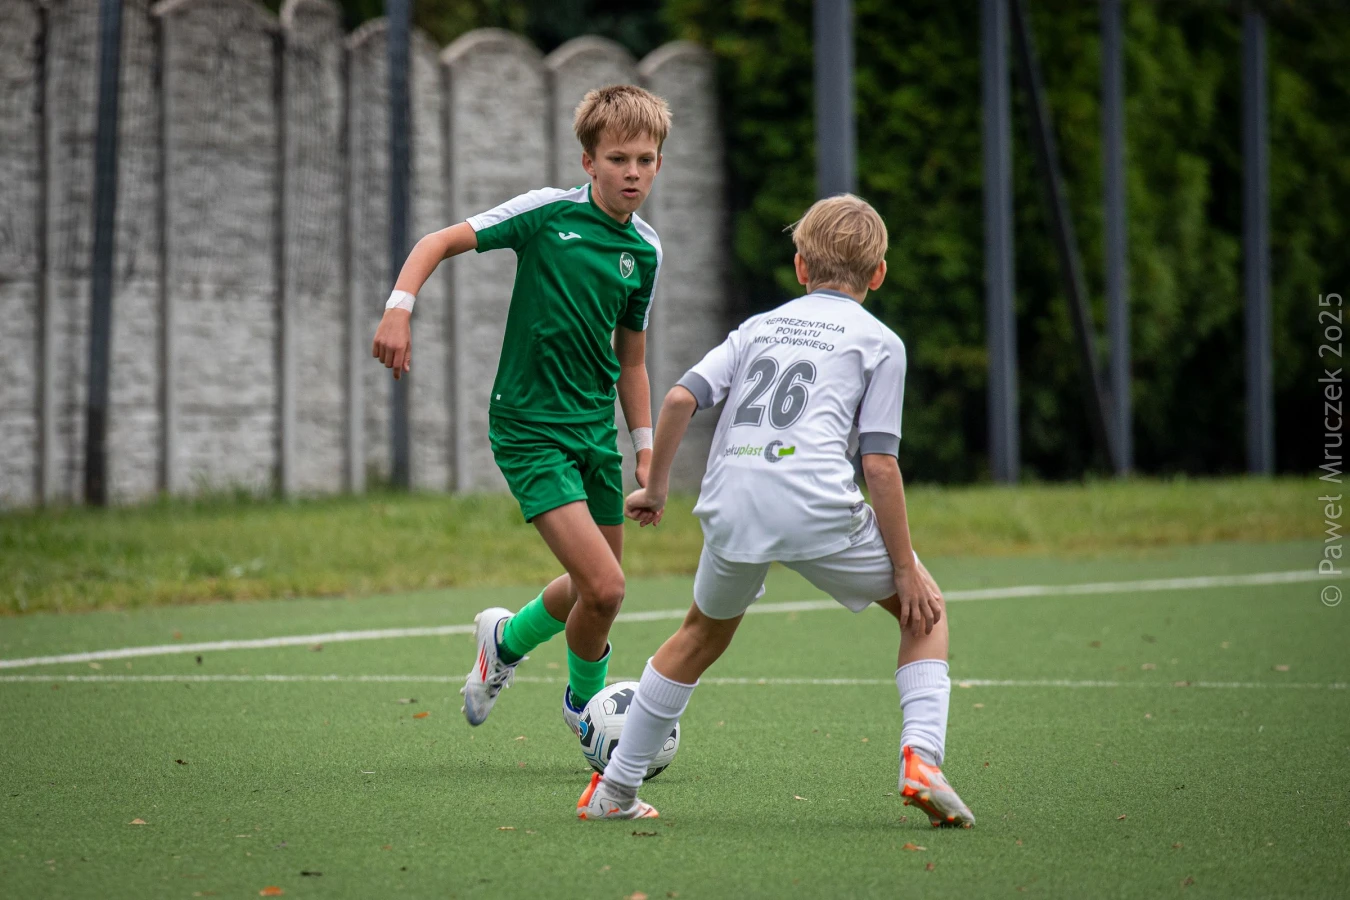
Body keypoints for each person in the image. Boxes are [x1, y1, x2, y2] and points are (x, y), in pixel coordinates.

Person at [575, 195, 975, 828]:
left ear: (800, 267)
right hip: (816, 504)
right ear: (878, 274)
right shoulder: (881, 342)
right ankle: (921, 760)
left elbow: (678, 399)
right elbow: (879, 465)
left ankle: (615, 790)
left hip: (732, 502)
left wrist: (655, 489)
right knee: (925, 613)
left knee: (699, 635)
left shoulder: (758, 327)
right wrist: (905, 568)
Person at [371, 85, 670, 738]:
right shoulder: (546, 214)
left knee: (596, 587)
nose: (633, 173)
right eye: (618, 159)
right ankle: (586, 712)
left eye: (646, 160)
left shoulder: (645, 252)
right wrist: (399, 307)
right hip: (529, 428)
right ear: (588, 162)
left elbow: (632, 362)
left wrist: (645, 449)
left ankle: (504, 640)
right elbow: (437, 241)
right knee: (606, 587)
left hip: (594, 433)